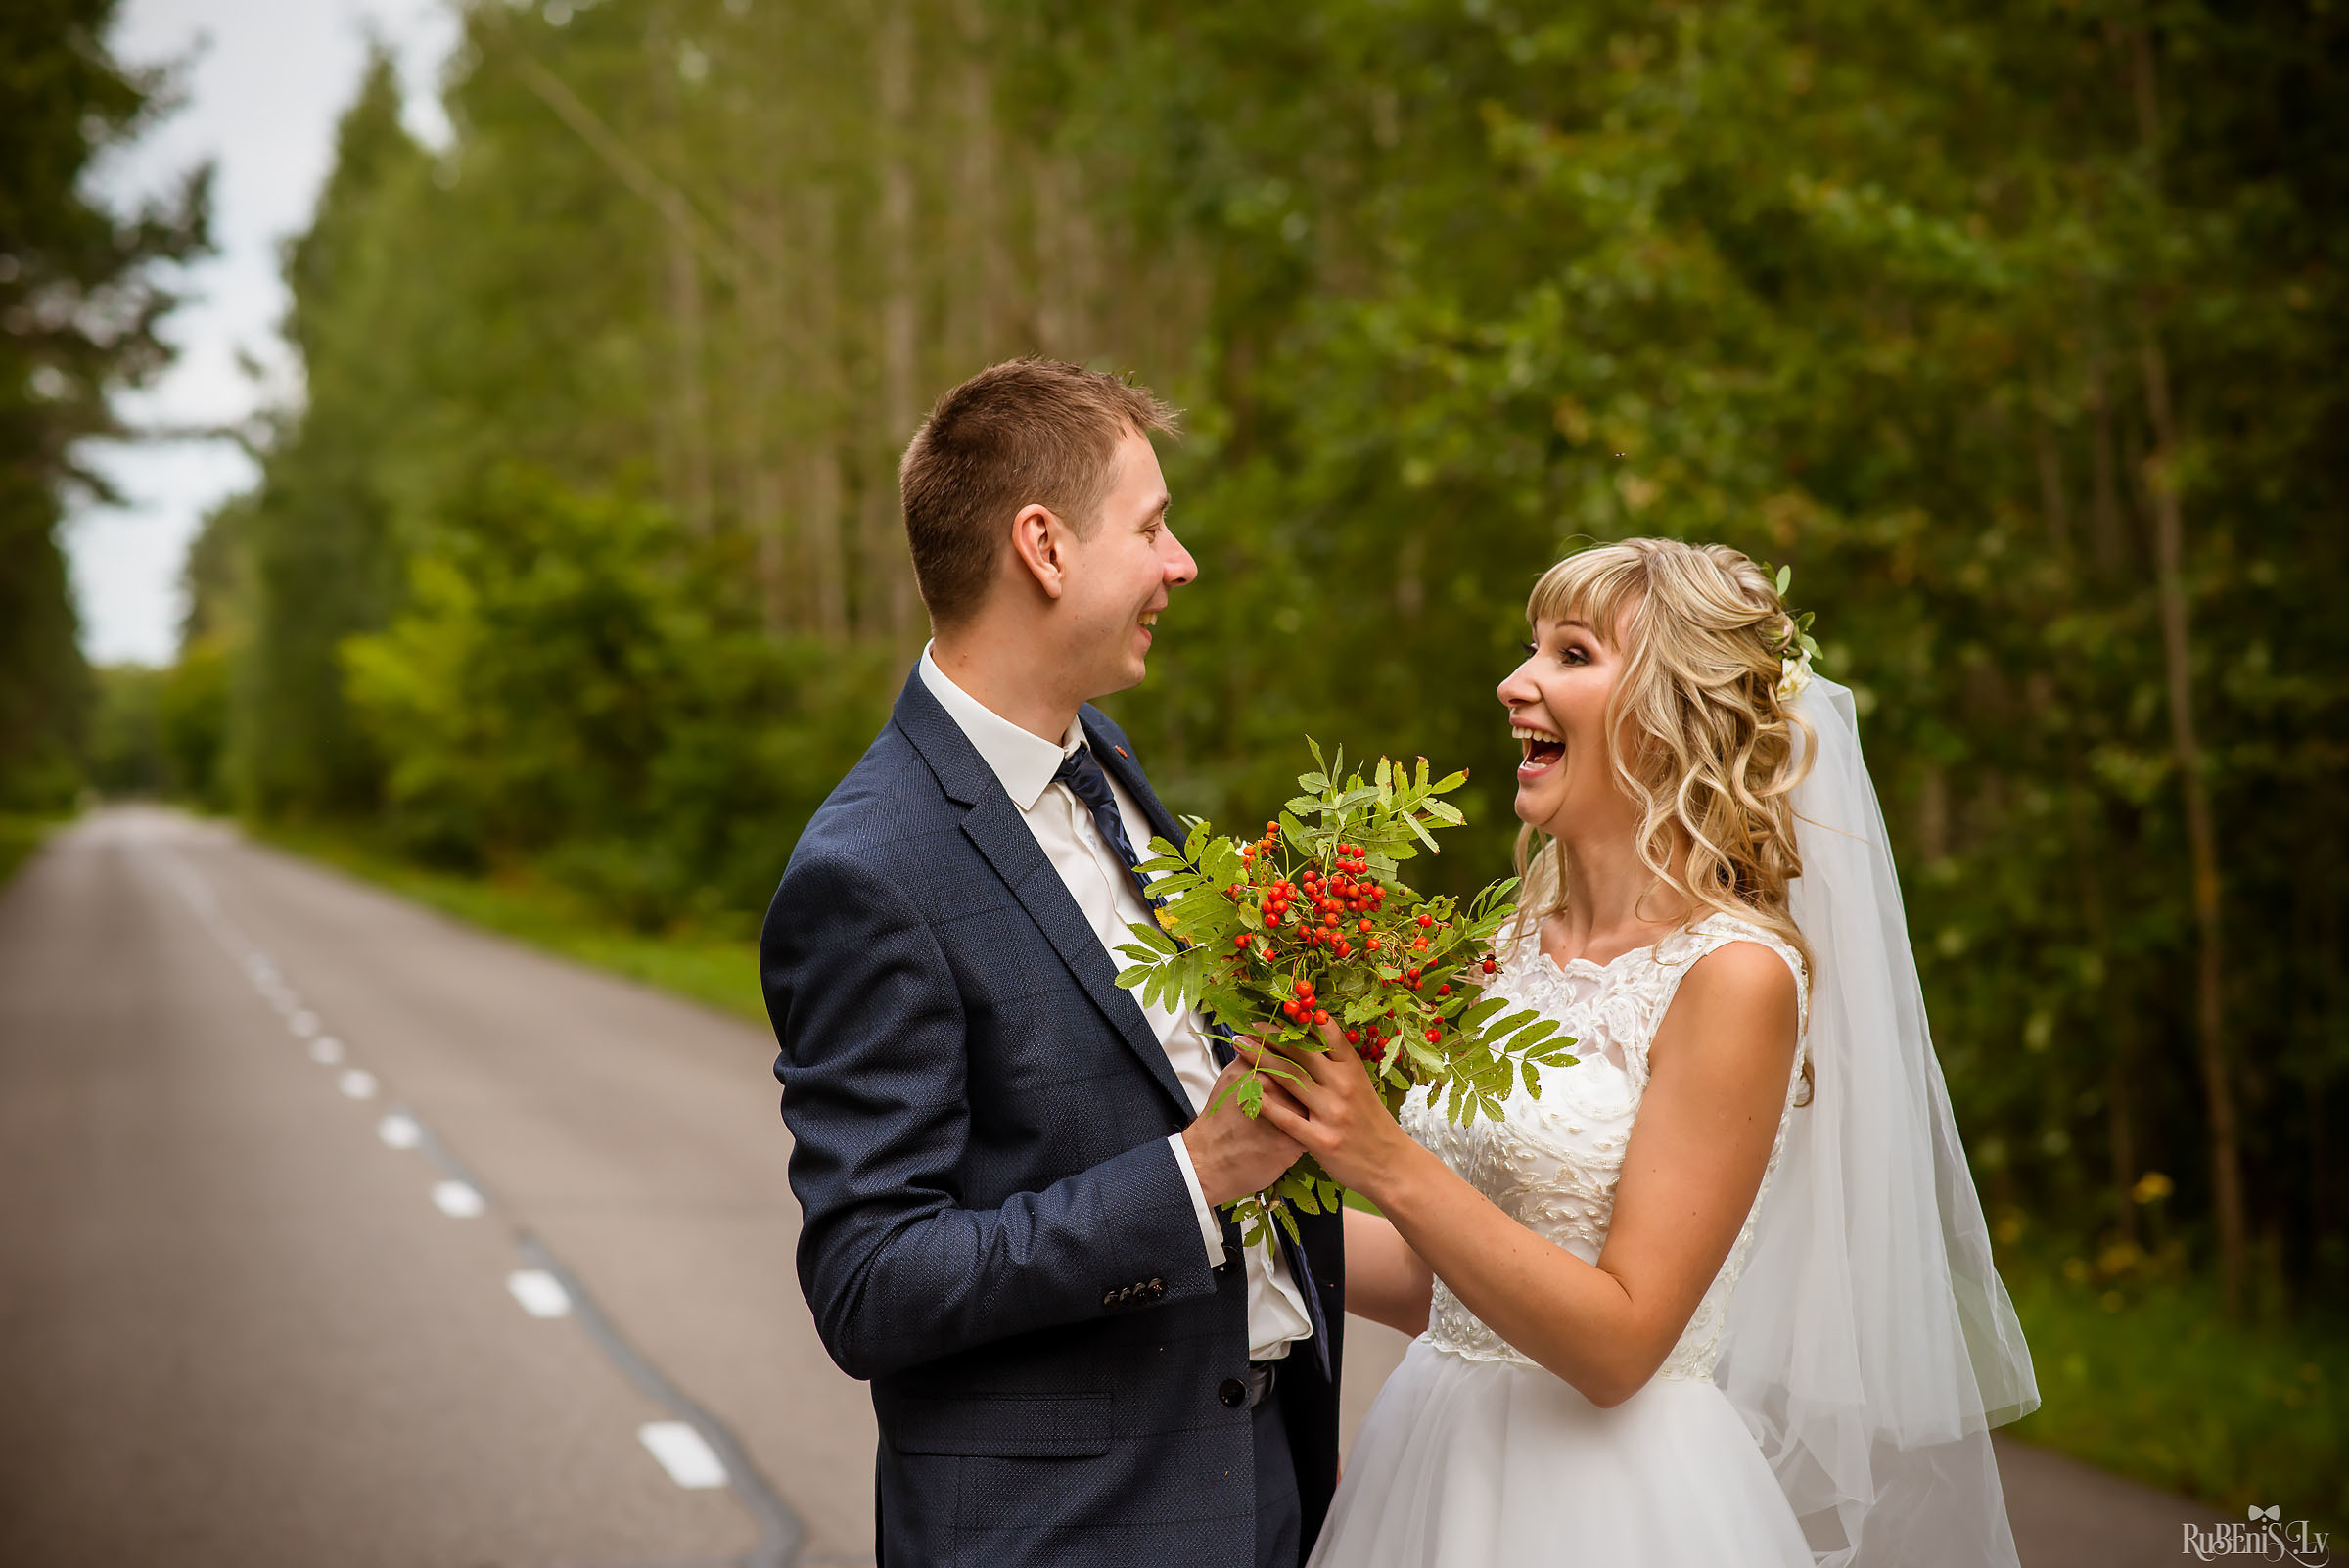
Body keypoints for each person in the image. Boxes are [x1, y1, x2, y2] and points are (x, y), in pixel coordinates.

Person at [1254, 539, 2039, 1567]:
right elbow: (1433, 1274)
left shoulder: (1736, 977)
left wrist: (1381, 1159)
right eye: (1531, 649)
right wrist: (1229, 1208)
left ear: (1671, 719)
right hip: (1431, 1457)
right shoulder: (1502, 950)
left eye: (1570, 655)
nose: (1515, 683)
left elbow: (1622, 1344)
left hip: (1607, 1502)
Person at [760, 358, 1345, 1568]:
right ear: (1045, 547)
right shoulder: (869, 871)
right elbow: (872, 1280)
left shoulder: (1108, 761)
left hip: (1265, 1482)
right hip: (1067, 1532)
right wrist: (1194, 1177)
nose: (1180, 563)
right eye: (1153, 524)